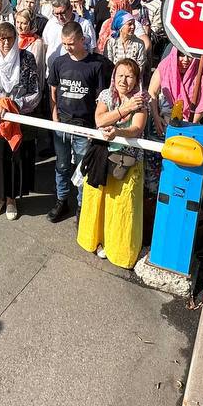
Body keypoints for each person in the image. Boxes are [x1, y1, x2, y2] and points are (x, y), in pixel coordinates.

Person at [77, 58, 148, 268]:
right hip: (102, 157)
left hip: (127, 161)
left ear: (136, 80)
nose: (123, 80)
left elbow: (136, 129)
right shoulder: (106, 95)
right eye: (120, 75)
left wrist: (118, 131)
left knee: (122, 205)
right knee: (98, 200)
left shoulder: (141, 101)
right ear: (114, 76)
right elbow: (99, 120)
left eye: (129, 76)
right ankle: (96, 240)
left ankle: (117, 247)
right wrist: (124, 110)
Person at [0, 21, 41, 220]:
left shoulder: (27, 58)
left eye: (9, 38)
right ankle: (0, 198)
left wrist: (14, 106)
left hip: (17, 120)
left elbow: (35, 92)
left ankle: (12, 199)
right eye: (1, 38)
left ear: (15, 39)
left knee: (15, 159)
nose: (5, 43)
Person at [47, 21, 110, 222]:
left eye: (72, 43)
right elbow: (53, 90)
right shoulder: (58, 63)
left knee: (83, 168)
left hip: (85, 126)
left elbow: (102, 96)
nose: (68, 48)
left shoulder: (96, 64)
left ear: (82, 40)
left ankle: (82, 206)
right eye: (65, 44)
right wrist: (55, 115)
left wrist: (97, 124)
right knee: (62, 164)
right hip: (62, 123)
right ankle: (62, 200)